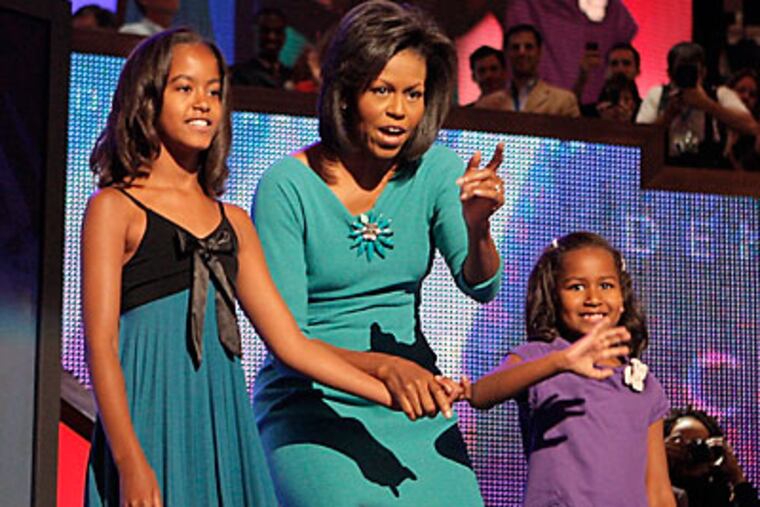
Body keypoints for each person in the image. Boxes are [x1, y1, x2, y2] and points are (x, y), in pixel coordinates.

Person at [82, 28, 398, 506]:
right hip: (148, 424)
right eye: (185, 88)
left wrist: (386, 389)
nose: (204, 102)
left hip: (220, 428)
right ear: (147, 100)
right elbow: (101, 346)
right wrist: (129, 459)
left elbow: (292, 344)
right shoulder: (115, 208)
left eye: (214, 90)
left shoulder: (235, 224)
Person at [251, 1, 504, 505]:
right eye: (382, 91)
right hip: (312, 403)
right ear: (346, 92)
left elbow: (481, 285)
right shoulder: (286, 186)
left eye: (413, 94)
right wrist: (382, 368)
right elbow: (290, 343)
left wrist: (478, 228)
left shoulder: (436, 170)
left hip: (413, 401)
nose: (399, 111)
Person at [465, 232, 676, 506]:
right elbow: (480, 393)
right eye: (576, 287)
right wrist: (560, 362)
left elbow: (658, 490)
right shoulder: (539, 358)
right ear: (554, 296)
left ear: (622, 298)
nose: (593, 298)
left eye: (606, 285)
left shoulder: (643, 384)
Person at [636, 42, 757, 168]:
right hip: (665, 172)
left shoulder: (719, 94)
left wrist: (707, 105)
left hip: (708, 174)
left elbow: (751, 127)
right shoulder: (657, 95)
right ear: (670, 73)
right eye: (682, 71)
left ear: (703, 72)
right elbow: (639, 138)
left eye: (692, 71)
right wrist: (667, 116)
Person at [475, 24, 580, 118]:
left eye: (528, 47)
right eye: (515, 47)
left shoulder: (563, 101)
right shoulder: (487, 105)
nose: (522, 53)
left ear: (539, 52)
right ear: (506, 53)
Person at [665, 407, 759, 507]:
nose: (691, 452)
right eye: (680, 445)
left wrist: (737, 478)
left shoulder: (720, 496)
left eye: (698, 444)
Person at [230, 8, 291, 88]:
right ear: (254, 34)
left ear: (284, 36)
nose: (271, 37)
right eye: (265, 31)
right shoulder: (238, 75)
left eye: (278, 32)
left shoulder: (291, 76)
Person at [578, 42, 642, 117]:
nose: (620, 69)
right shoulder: (592, 111)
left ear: (637, 71)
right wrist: (582, 77)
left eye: (626, 63)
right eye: (614, 64)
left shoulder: (646, 111)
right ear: (606, 71)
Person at [725, 69, 760, 170]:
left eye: (752, 94)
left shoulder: (756, 135)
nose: (746, 97)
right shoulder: (715, 125)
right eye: (741, 90)